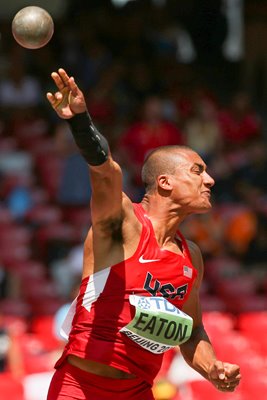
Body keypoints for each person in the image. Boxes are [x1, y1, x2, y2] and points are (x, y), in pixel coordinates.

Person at [46, 68, 241, 400]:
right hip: (80, 387)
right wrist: (80, 121)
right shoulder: (124, 223)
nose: (209, 181)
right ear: (164, 182)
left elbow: (191, 330)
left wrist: (213, 368)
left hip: (137, 391)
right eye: (197, 171)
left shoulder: (190, 256)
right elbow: (106, 173)